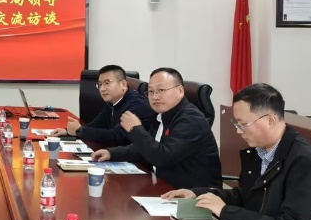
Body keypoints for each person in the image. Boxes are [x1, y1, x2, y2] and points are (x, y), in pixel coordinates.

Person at [162, 83, 311, 220]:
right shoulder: (260, 151)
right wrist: (199, 194)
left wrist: (226, 212)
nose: (238, 131)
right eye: (237, 124)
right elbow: (246, 197)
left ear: (270, 120)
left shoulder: (305, 162)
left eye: (243, 124)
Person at [91, 67, 221, 189]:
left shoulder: (191, 120)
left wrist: (135, 129)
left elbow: (162, 157)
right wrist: (112, 153)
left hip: (194, 196)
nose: (155, 97)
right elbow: (146, 148)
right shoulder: (161, 115)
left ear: (180, 91)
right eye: (151, 91)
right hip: (164, 188)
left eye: (161, 90)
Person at [52, 64, 155, 146]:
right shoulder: (112, 102)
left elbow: (117, 136)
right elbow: (96, 124)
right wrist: (68, 131)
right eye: (100, 84)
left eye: (107, 83)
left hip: (137, 160)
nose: (102, 89)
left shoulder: (137, 105)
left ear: (123, 84)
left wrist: (79, 130)